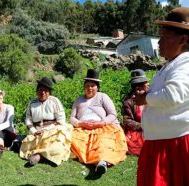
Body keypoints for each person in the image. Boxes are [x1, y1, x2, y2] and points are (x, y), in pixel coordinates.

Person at [135, 7, 189, 186]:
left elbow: (173, 95)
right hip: (162, 142)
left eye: (165, 37)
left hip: (173, 147)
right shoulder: (173, 64)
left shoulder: (185, 64)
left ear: (183, 40)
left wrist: (145, 99)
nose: (159, 42)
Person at [70, 69, 127, 175]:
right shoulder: (79, 100)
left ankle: (102, 162)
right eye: (87, 85)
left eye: (92, 86)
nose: (89, 88)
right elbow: (72, 118)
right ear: (84, 87)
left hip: (102, 126)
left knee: (102, 140)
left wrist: (101, 123)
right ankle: (97, 162)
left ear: (97, 87)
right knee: (77, 141)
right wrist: (81, 124)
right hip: (83, 128)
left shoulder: (102, 97)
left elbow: (112, 114)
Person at [19, 77, 72, 166]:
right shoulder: (32, 103)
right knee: (25, 145)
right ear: (37, 91)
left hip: (53, 131)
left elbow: (61, 120)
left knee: (58, 145)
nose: (42, 92)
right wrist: (34, 131)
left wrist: (47, 129)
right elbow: (28, 119)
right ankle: (43, 155)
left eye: (45, 90)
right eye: (40, 90)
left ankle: (39, 156)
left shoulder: (54, 101)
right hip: (37, 132)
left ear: (49, 92)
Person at [121, 69, 149, 156]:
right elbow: (127, 121)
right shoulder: (129, 102)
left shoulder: (152, 97)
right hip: (138, 131)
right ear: (136, 87)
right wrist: (143, 126)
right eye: (145, 84)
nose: (148, 86)